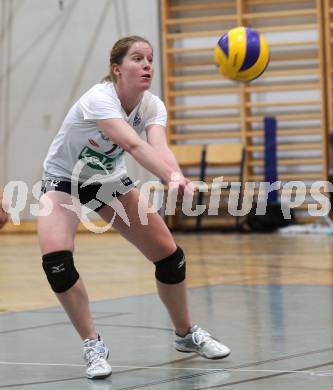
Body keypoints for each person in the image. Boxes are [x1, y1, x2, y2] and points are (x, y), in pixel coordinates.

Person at [38, 35, 230, 380]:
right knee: (57, 263)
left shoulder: (152, 105)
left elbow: (158, 145)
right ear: (117, 69)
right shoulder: (100, 99)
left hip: (106, 182)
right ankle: (92, 345)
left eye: (150, 59)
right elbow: (133, 144)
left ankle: (186, 334)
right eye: (137, 59)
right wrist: (169, 175)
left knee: (170, 258)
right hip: (64, 178)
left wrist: (177, 177)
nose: (147, 65)